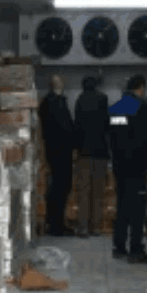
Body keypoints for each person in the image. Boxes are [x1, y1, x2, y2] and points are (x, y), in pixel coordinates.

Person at [108, 75, 147, 264]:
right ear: (141, 88)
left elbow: (114, 138)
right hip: (137, 166)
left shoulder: (116, 108)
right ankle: (136, 249)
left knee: (122, 206)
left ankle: (119, 247)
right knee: (137, 209)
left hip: (120, 166)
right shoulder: (142, 108)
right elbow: (144, 141)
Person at [73, 76, 110, 237]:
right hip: (100, 153)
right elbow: (107, 124)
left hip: (84, 154)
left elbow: (77, 127)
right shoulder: (103, 99)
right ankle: (95, 227)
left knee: (83, 192)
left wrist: (75, 148)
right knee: (97, 192)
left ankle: (83, 227)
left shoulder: (80, 100)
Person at [39, 75, 75, 236]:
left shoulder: (57, 100)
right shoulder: (52, 102)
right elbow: (62, 127)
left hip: (60, 151)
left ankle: (58, 222)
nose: (62, 84)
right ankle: (55, 225)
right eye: (60, 82)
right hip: (58, 151)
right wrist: (73, 141)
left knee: (62, 187)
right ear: (54, 85)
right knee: (59, 188)